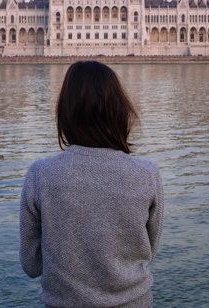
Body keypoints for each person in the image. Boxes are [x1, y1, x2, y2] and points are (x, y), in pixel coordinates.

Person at [20, 60, 164, 308]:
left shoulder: (40, 175)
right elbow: (147, 252)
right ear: (120, 109)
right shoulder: (147, 174)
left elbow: (32, 265)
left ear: (65, 111)